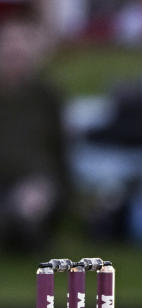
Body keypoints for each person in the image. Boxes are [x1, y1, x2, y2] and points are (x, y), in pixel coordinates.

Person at [0, 15, 67, 252]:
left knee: (30, 205)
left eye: (22, 42)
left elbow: (61, 151)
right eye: (8, 42)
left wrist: (58, 189)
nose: (15, 48)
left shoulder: (47, 96)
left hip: (35, 181)